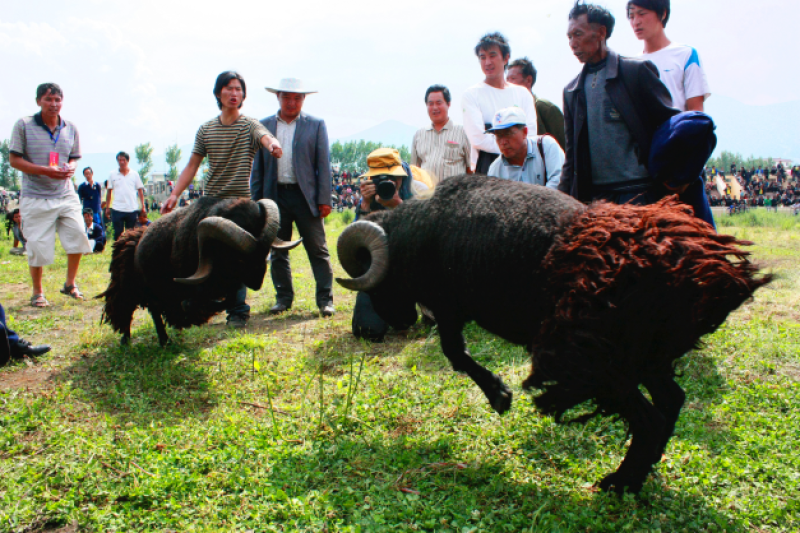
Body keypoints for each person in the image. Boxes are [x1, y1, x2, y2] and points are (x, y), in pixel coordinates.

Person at [162, 71, 282, 329]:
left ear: (243, 95)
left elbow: (265, 136)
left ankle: (238, 311)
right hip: (210, 205)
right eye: (228, 88)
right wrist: (174, 194)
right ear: (218, 93)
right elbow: (192, 165)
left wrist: (272, 144)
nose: (234, 93)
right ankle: (201, 304)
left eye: (238, 89)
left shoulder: (250, 125)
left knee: (239, 259)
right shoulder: (206, 129)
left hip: (240, 208)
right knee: (203, 256)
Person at [560, 2, 678, 205]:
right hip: (597, 199)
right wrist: (560, 199)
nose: (572, 43)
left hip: (640, 193)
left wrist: (677, 178)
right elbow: (571, 158)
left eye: (578, 34)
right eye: (569, 37)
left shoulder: (635, 73)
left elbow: (671, 128)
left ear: (600, 32)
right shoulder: (572, 91)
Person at [250, 78, 335, 318]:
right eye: (287, 97)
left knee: (318, 249)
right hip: (274, 197)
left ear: (304, 99)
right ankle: (283, 299)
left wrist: (324, 198)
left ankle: (325, 300)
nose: (292, 102)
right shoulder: (263, 126)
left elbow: (323, 164)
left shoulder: (316, 125)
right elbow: (258, 169)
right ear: (277, 97)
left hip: (305, 196)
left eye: (297, 98)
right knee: (278, 250)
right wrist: (257, 203)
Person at [9, 83, 92, 306]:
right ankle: (38, 292)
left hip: (65, 193)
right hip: (35, 194)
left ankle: (70, 284)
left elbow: (74, 156)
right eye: (48, 99)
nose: (54, 104)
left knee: (77, 235)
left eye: (57, 99)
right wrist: (46, 170)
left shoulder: (70, 127)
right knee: (37, 244)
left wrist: (72, 167)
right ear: (38, 101)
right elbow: (14, 160)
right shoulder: (24, 125)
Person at [352, 148, 419, 342]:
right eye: (380, 179)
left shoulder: (419, 190)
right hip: (377, 267)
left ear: (401, 177)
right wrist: (365, 205)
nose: (388, 184)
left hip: (409, 269)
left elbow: (425, 241)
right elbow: (357, 241)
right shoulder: (368, 199)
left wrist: (398, 206)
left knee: (404, 320)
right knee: (367, 330)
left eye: (393, 179)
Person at [462, 32, 538, 174]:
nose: (487, 62)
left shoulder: (522, 94)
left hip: (523, 166)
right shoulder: (472, 95)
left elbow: (532, 133)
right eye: (482, 57)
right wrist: (515, 142)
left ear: (506, 58)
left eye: (492, 55)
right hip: (487, 168)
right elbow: (478, 138)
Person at [628, 0, 711, 112]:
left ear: (663, 13)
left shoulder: (686, 55)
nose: (636, 22)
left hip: (680, 128)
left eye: (642, 14)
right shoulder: (631, 66)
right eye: (631, 16)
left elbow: (696, 112)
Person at [486, 107, 563, 189]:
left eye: (508, 134)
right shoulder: (495, 170)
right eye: (499, 136)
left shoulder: (546, 146)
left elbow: (559, 181)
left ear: (525, 132)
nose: (503, 142)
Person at [410, 85, 472, 184]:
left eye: (439, 103)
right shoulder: (419, 135)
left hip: (454, 195)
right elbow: (414, 170)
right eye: (430, 104)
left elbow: (471, 168)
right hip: (427, 196)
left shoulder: (463, 132)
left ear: (448, 104)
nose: (435, 107)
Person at [506, 57, 567, 150]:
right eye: (507, 79)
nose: (508, 83)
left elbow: (565, 146)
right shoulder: (508, 113)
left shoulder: (545, 108)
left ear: (528, 80)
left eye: (513, 78)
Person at [105, 152, 145, 242]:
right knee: (118, 234)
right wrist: (107, 207)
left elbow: (140, 190)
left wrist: (143, 206)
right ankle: (117, 254)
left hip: (132, 208)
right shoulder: (112, 174)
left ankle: (129, 254)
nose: (121, 162)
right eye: (119, 160)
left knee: (131, 234)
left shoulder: (134, 174)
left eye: (123, 160)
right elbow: (109, 191)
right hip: (117, 208)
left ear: (127, 161)